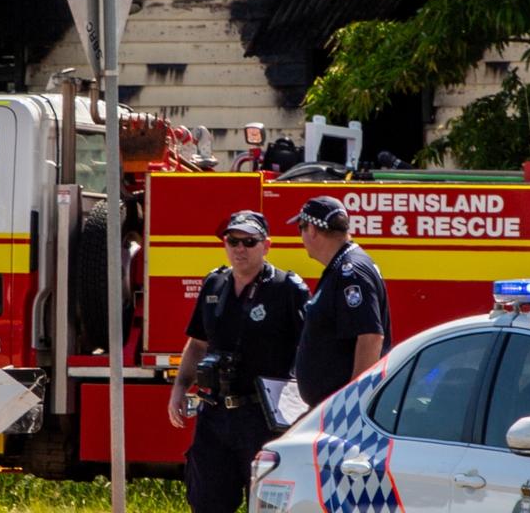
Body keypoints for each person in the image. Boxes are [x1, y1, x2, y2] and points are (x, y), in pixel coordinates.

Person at [167, 210, 308, 513]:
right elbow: (198, 343)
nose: (239, 248)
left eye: (249, 241)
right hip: (214, 415)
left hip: (263, 418)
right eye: (233, 241)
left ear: (266, 245)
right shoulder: (214, 284)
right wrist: (179, 388)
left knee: (266, 505)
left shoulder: (288, 289)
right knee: (206, 501)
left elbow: (309, 351)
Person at [290, 195, 392, 407]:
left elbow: (371, 336)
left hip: (343, 411)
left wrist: (353, 402)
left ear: (312, 230)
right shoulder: (341, 267)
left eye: (301, 227)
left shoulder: (350, 272)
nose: (301, 236)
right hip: (329, 407)